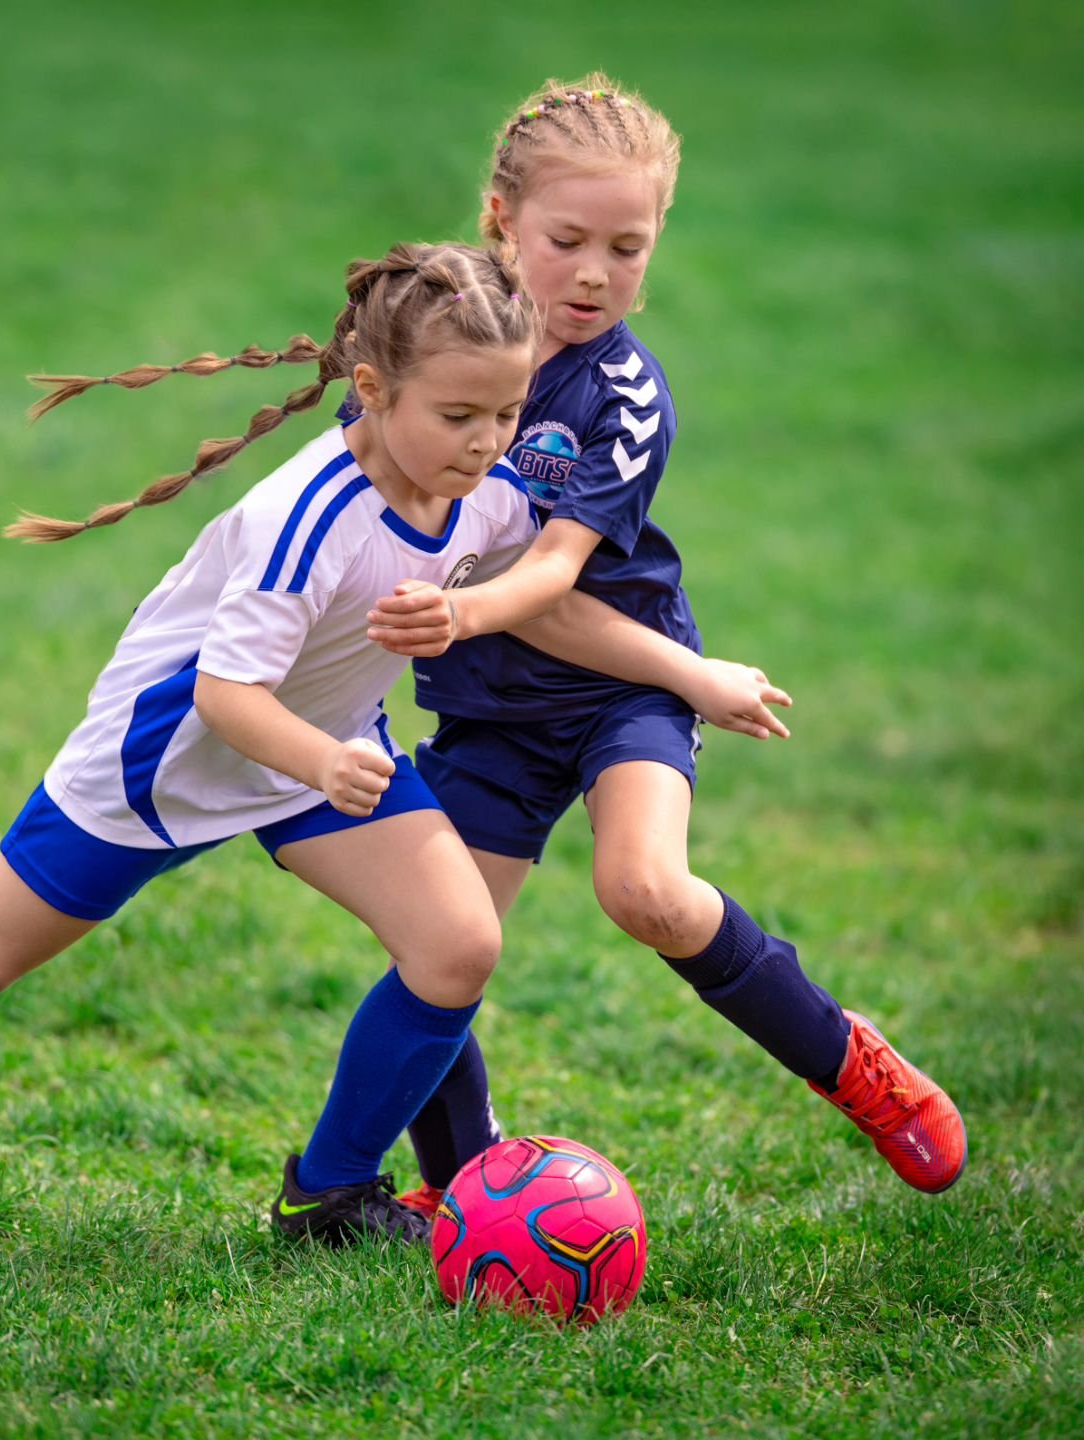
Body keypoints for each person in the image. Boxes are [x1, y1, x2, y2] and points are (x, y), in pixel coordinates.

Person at [0, 241, 560, 1244]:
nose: (487, 443)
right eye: (458, 416)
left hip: (325, 756)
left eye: (507, 415)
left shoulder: (490, 488)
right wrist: (320, 762)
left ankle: (328, 1197)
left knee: (458, 946)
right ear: (372, 390)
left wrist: (683, 676)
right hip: (166, 765)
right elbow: (227, 694)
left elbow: (548, 590)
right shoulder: (306, 520)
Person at [364, 76, 967, 1211]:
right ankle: (466, 1190)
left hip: (620, 684)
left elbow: (548, 588)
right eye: (568, 239)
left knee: (646, 888)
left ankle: (853, 1064)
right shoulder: (437, 344)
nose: (595, 273)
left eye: (628, 248)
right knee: (440, 946)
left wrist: (689, 676)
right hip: (488, 708)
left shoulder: (627, 396)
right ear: (501, 216)